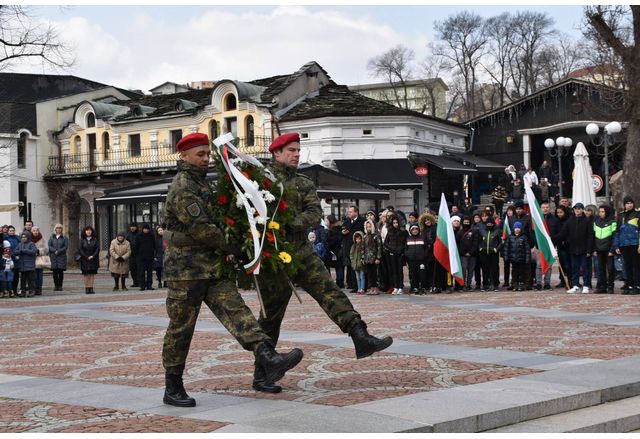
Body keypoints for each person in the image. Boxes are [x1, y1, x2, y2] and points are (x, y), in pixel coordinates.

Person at [162, 132, 303, 405]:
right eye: (199, 155)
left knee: (238, 313)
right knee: (181, 329)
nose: (205, 159)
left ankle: (268, 357)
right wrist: (235, 247)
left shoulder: (203, 185)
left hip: (212, 267)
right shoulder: (183, 187)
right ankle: (173, 385)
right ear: (184, 156)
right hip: (186, 271)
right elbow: (203, 228)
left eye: (207, 154)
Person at [254, 132, 393, 389]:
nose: (297, 154)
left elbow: (314, 212)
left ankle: (360, 336)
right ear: (276, 153)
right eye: (291, 150)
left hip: (301, 251)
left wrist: (290, 222)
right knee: (271, 316)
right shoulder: (260, 181)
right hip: (273, 254)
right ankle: (263, 372)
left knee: (330, 292)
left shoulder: (303, 183)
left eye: (298, 150)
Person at [562, 203, 595, 294]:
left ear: (582, 210)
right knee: (574, 268)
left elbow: (590, 236)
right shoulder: (570, 221)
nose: (577, 210)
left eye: (579, 208)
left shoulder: (587, 221)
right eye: (576, 208)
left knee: (585, 268)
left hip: (584, 249)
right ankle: (575, 285)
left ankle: (586, 285)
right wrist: (552, 238)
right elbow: (563, 233)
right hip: (573, 249)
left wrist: (589, 250)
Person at [613, 196, 640, 294]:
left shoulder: (637, 214)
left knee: (636, 265)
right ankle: (629, 285)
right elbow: (617, 232)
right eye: (627, 203)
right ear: (624, 205)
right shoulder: (621, 216)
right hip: (624, 244)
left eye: (631, 202)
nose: (630, 204)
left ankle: (637, 285)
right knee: (627, 265)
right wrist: (616, 246)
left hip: (634, 244)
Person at [533, 201, 559, 290]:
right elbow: (533, 232)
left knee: (549, 264)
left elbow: (557, 232)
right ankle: (539, 282)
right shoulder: (537, 219)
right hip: (539, 245)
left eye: (547, 207)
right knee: (539, 265)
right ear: (541, 208)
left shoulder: (554, 220)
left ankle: (547, 282)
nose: (545, 209)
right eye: (543, 207)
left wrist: (553, 240)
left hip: (550, 246)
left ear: (550, 208)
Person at [593, 205, 617, 294]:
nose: (601, 213)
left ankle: (610, 286)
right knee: (600, 269)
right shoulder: (596, 221)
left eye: (603, 212)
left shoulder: (612, 222)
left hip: (608, 249)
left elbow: (614, 237)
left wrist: (612, 250)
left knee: (610, 269)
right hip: (599, 249)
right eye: (600, 212)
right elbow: (594, 236)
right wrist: (594, 249)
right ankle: (602, 286)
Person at [342, 206, 365, 293]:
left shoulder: (361, 221)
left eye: (351, 212)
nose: (349, 213)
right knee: (352, 267)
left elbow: (361, 232)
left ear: (356, 212)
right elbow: (342, 229)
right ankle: (353, 285)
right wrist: (343, 233)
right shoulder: (347, 221)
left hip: (358, 247)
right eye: (349, 212)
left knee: (359, 267)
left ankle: (361, 286)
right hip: (349, 247)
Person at [383, 216, 406, 295]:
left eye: (396, 223)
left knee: (399, 270)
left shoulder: (403, 232)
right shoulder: (390, 232)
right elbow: (385, 243)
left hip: (400, 253)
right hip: (392, 253)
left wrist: (402, 250)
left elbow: (405, 243)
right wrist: (391, 249)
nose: (395, 224)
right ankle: (395, 286)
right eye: (394, 223)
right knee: (394, 271)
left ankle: (400, 287)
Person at [478, 217, 502, 291]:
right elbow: (478, 241)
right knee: (485, 270)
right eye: (488, 223)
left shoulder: (497, 231)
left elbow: (501, 242)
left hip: (493, 253)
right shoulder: (482, 231)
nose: (489, 225)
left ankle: (495, 285)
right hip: (484, 253)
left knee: (494, 269)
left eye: (490, 223)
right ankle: (485, 285)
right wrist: (480, 248)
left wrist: (496, 249)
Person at [506, 222, 531, 291]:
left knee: (521, 272)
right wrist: (507, 257)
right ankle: (514, 284)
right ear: (513, 228)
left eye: (518, 228)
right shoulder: (510, 237)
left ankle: (521, 284)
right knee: (514, 272)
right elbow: (507, 248)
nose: (517, 229)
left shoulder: (524, 237)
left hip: (521, 259)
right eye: (516, 228)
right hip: (513, 259)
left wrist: (527, 258)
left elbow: (527, 249)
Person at [457, 216, 479, 291]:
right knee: (463, 270)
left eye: (467, 222)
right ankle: (462, 284)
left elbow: (475, 243)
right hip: (463, 255)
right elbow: (458, 244)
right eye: (465, 222)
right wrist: (464, 252)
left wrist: (470, 252)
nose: (466, 223)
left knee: (471, 270)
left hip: (472, 255)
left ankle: (469, 284)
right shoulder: (460, 232)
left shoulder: (474, 231)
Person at [405, 224, 428, 294]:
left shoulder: (422, 238)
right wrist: (408, 255)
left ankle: (423, 287)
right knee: (413, 274)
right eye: (413, 229)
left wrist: (424, 255)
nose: (415, 231)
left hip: (421, 260)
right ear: (410, 231)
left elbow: (426, 248)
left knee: (422, 274)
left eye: (416, 229)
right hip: (411, 260)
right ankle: (414, 287)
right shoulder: (408, 239)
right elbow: (405, 249)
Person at [553, 205, 572, 289]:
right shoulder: (556, 221)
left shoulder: (568, 220)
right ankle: (563, 280)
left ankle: (570, 281)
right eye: (558, 213)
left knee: (568, 265)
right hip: (560, 245)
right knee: (561, 264)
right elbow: (555, 233)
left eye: (561, 212)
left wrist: (566, 240)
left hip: (568, 245)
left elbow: (568, 232)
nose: (559, 214)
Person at [362, 219, 382, 295]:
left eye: (370, 227)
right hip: (367, 258)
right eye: (367, 227)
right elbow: (363, 248)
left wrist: (378, 257)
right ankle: (371, 288)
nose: (368, 228)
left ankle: (376, 288)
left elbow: (379, 247)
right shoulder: (365, 236)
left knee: (375, 274)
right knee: (369, 274)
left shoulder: (376, 236)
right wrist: (363, 257)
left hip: (374, 258)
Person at [15, 231, 37, 297]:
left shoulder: (31, 244)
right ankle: (23, 292)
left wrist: (24, 250)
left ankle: (31, 291)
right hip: (22, 266)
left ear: (28, 237)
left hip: (30, 265)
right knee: (23, 280)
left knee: (31, 280)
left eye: (25, 237)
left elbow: (34, 251)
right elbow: (15, 252)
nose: (23, 238)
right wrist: (19, 251)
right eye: (22, 237)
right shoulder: (20, 244)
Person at [79, 226, 100, 294]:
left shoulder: (95, 240)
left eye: (90, 230)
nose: (88, 231)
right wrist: (86, 256)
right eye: (87, 230)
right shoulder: (82, 240)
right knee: (86, 274)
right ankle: (87, 288)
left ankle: (91, 288)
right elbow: (80, 249)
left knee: (91, 274)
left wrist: (92, 256)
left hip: (93, 260)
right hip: (84, 260)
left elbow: (97, 249)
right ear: (85, 232)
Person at [135, 224, 156, 291]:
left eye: (147, 229)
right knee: (141, 272)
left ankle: (149, 285)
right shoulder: (139, 236)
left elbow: (154, 245)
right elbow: (136, 246)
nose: (145, 230)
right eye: (144, 229)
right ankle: (142, 286)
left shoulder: (152, 236)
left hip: (150, 257)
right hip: (141, 257)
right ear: (142, 229)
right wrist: (138, 254)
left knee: (150, 273)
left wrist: (154, 255)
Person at [325, 214, 344, 288]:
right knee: (338, 267)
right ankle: (339, 282)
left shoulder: (335, 230)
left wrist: (328, 244)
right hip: (334, 251)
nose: (326, 222)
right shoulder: (333, 229)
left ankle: (340, 282)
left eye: (327, 220)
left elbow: (334, 241)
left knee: (338, 267)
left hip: (335, 251)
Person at [48, 224, 68, 292]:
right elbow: (49, 245)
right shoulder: (51, 237)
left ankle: (60, 286)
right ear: (55, 229)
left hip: (61, 256)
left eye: (60, 228)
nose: (58, 230)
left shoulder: (64, 238)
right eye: (57, 228)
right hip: (53, 257)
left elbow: (65, 247)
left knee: (60, 272)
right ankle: (56, 286)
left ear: (62, 229)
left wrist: (58, 251)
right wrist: (54, 251)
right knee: (54, 272)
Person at [30, 226, 48, 296]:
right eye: (34, 230)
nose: (35, 232)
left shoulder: (43, 238)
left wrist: (38, 251)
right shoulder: (30, 238)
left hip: (40, 259)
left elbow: (46, 249)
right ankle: (33, 288)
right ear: (32, 231)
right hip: (31, 259)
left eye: (37, 230)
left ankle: (39, 289)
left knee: (39, 275)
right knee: (32, 275)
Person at [5, 226, 20, 296]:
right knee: (9, 276)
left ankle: (15, 290)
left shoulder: (17, 238)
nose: (12, 232)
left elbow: (20, 246)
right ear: (8, 231)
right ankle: (9, 291)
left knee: (16, 277)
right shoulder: (6, 239)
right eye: (10, 231)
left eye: (13, 230)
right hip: (9, 259)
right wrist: (12, 255)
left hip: (17, 260)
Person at [125, 223, 140, 288]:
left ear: (136, 227)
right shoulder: (128, 235)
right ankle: (135, 282)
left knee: (139, 269)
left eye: (134, 226)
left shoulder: (139, 234)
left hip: (138, 254)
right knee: (132, 269)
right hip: (131, 254)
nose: (132, 228)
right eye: (131, 226)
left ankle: (139, 282)